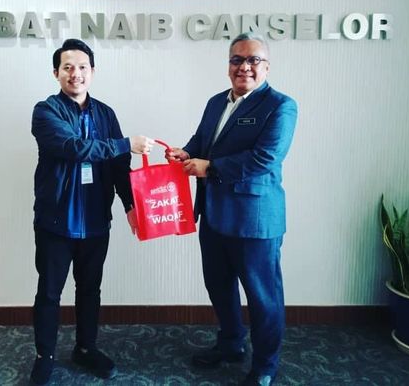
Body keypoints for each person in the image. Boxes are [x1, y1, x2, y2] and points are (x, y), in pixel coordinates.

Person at [166, 32, 297, 386]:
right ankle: (231, 344)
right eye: (237, 60)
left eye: (253, 60)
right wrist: (186, 153)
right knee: (219, 287)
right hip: (213, 214)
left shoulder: (281, 106)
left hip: (255, 221)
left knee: (262, 297)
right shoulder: (215, 102)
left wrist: (210, 167)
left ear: (267, 66)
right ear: (228, 65)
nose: (244, 67)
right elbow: (202, 142)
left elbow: (265, 158)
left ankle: (265, 365)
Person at [30, 38, 153, 385]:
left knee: (90, 289)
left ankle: (86, 348)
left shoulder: (106, 114)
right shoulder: (46, 111)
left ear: (93, 72)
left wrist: (130, 204)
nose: (76, 74)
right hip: (56, 221)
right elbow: (74, 148)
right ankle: (44, 356)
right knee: (49, 292)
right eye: (67, 67)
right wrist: (125, 142)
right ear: (56, 73)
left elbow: (119, 165)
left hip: (96, 220)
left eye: (82, 67)